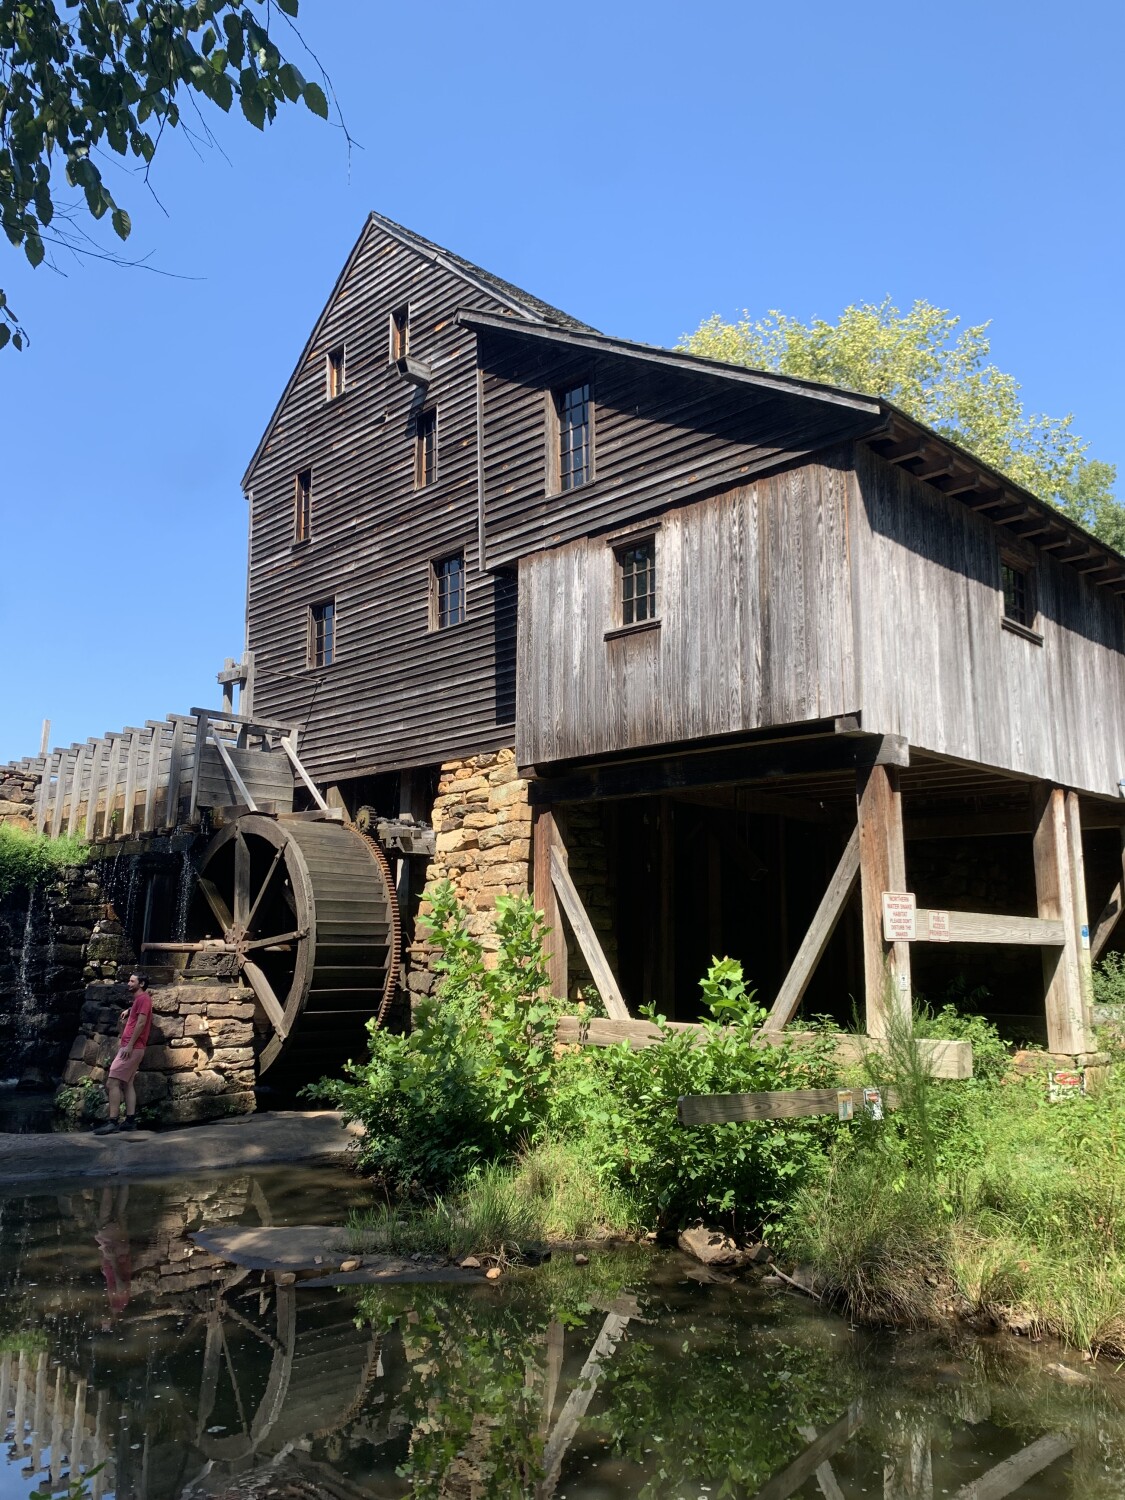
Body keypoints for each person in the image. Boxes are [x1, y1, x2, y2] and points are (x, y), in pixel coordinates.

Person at [93, 971, 153, 1135]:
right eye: (129, 980)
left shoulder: (143, 1000)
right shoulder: (140, 1000)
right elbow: (139, 1011)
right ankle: (130, 1121)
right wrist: (129, 1009)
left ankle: (112, 1121)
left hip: (131, 1048)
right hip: (134, 1048)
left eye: (132, 981)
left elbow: (141, 1023)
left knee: (112, 1083)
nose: (128, 983)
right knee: (127, 1083)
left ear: (141, 984)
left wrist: (129, 1046)